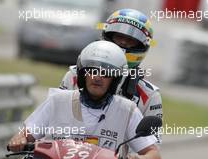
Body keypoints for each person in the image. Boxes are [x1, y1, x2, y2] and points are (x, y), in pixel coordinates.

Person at [8, 41, 161, 159]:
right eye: (92, 71)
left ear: (116, 79)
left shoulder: (128, 110)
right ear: (82, 74)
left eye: (105, 73)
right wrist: (19, 138)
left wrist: (140, 157)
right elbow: (25, 133)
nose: (97, 77)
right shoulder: (58, 101)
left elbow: (153, 152)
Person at [60, 8, 163, 132]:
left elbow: (153, 144)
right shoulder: (74, 76)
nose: (123, 42)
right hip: (70, 148)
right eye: (119, 37)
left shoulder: (149, 95)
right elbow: (54, 116)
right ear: (106, 36)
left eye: (130, 41)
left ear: (142, 46)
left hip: (119, 151)